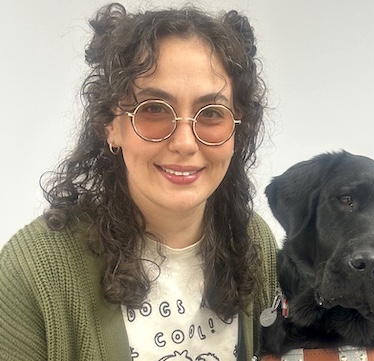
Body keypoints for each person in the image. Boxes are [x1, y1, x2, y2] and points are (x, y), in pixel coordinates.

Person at [0, 3, 278, 360]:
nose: (184, 143)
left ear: (237, 129)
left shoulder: (255, 245)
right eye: (154, 109)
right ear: (111, 124)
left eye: (211, 114)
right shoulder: (33, 271)